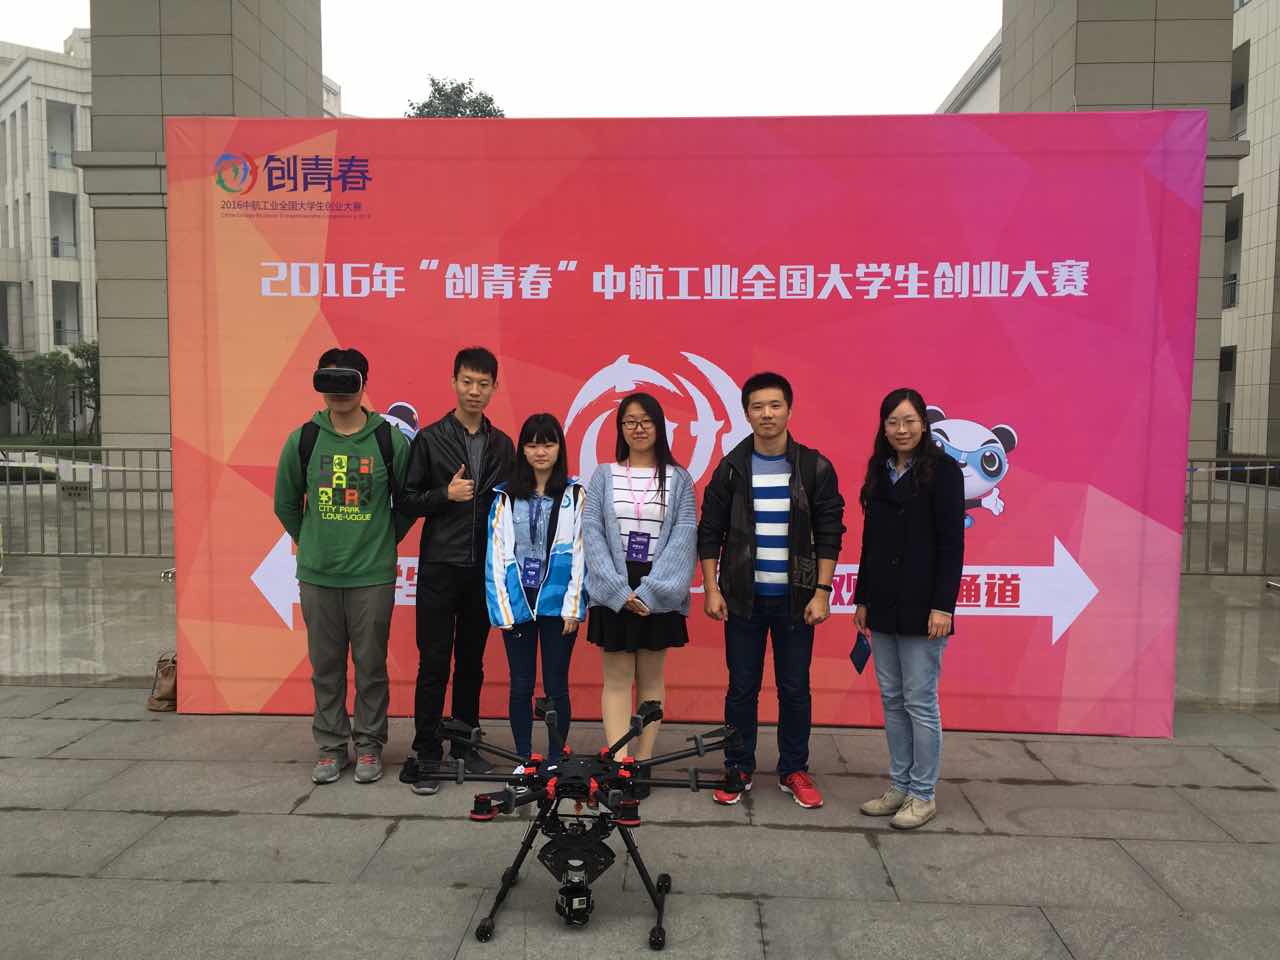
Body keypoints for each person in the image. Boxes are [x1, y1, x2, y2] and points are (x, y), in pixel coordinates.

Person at [698, 372, 846, 809]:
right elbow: (710, 532)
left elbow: (830, 532)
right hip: (742, 598)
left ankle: (793, 769)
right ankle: (738, 767)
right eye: (758, 407)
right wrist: (711, 589)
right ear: (746, 414)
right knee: (741, 688)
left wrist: (821, 592)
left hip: (796, 599)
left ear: (789, 410)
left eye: (775, 405)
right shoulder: (731, 468)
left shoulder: (814, 467)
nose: (767, 414)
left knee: (795, 688)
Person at [272, 347, 412, 786]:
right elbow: (285, 503)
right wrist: (312, 540)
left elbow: (407, 504)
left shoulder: (389, 440)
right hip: (318, 576)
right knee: (326, 667)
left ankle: (369, 745)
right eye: (327, 381)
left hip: (371, 575)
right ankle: (331, 747)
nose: (338, 392)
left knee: (371, 666)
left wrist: (380, 541)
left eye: (346, 381)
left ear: (364, 383)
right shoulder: (303, 440)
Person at [398, 347, 515, 794]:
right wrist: (444, 495)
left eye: (483, 384)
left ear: (494, 388)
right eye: (467, 382)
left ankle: (465, 744)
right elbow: (406, 500)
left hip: (482, 570)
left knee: (471, 662)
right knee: (433, 662)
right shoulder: (429, 439)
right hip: (439, 567)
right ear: (453, 382)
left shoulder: (503, 445)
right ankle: (427, 750)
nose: (474, 391)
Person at [853, 387, 964, 830]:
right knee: (893, 700)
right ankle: (899, 785)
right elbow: (870, 542)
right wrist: (862, 598)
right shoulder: (880, 471)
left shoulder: (944, 471)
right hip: (882, 603)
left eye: (910, 421)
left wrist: (943, 606)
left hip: (923, 606)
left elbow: (952, 544)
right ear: (884, 427)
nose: (901, 430)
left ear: (924, 424)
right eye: (893, 422)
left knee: (920, 701)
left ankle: (923, 794)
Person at [583, 393, 697, 771]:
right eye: (630, 421)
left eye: (646, 420)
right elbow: (592, 533)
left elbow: (683, 537)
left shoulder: (680, 479)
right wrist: (617, 591)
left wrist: (651, 591)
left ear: (660, 426)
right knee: (616, 680)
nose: (638, 428)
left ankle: (643, 761)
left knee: (651, 679)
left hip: (658, 588)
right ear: (620, 428)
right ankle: (619, 762)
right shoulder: (603, 475)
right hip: (614, 586)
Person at [485, 413, 586, 767]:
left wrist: (574, 606)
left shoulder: (575, 494)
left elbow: (581, 553)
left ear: (560, 448)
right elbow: (496, 555)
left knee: (556, 684)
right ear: (522, 451)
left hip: (558, 606)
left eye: (548, 444)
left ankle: (556, 757)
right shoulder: (505, 497)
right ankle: (524, 758)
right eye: (532, 444)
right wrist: (502, 609)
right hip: (518, 605)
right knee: (521, 685)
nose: (540, 452)